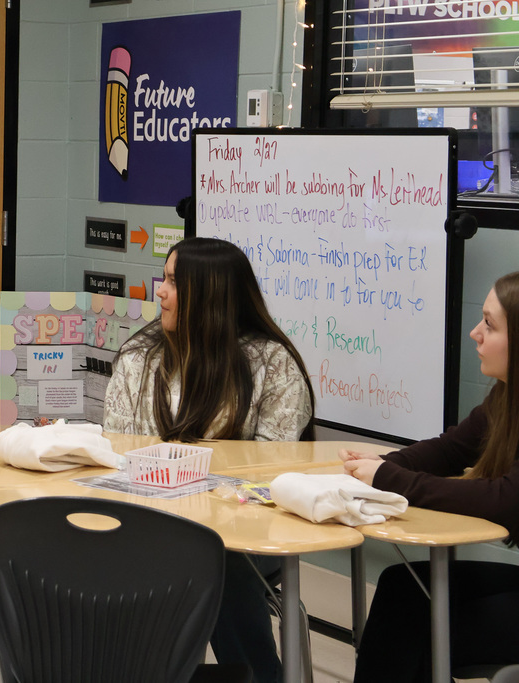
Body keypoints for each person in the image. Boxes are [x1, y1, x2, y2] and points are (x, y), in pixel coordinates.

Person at [103, 236, 315, 683]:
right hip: (148, 522)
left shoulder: (272, 364)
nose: (160, 292)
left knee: (217, 560)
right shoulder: (139, 359)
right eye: (163, 278)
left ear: (209, 296)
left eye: (173, 282)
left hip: (244, 532)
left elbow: (271, 473)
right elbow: (118, 453)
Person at [342, 271, 519, 682]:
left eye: (489, 325)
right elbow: (451, 449)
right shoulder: (506, 396)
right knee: (400, 588)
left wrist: (389, 477)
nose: (475, 333)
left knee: (415, 634)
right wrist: (382, 463)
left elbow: (505, 500)